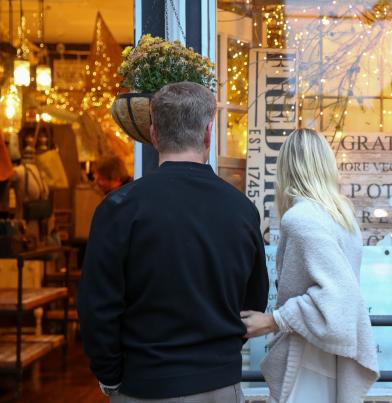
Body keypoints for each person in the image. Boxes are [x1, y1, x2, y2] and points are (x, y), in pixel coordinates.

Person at [77, 82, 269, 402]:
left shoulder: (119, 208)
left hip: (145, 385)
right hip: (219, 384)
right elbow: (253, 304)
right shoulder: (241, 210)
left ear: (153, 135)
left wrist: (110, 376)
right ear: (208, 133)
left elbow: (97, 308)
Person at [241, 128, 379, 403]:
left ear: (285, 168)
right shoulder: (342, 217)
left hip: (308, 359)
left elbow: (339, 295)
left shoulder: (301, 218)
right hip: (329, 354)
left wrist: (273, 321)